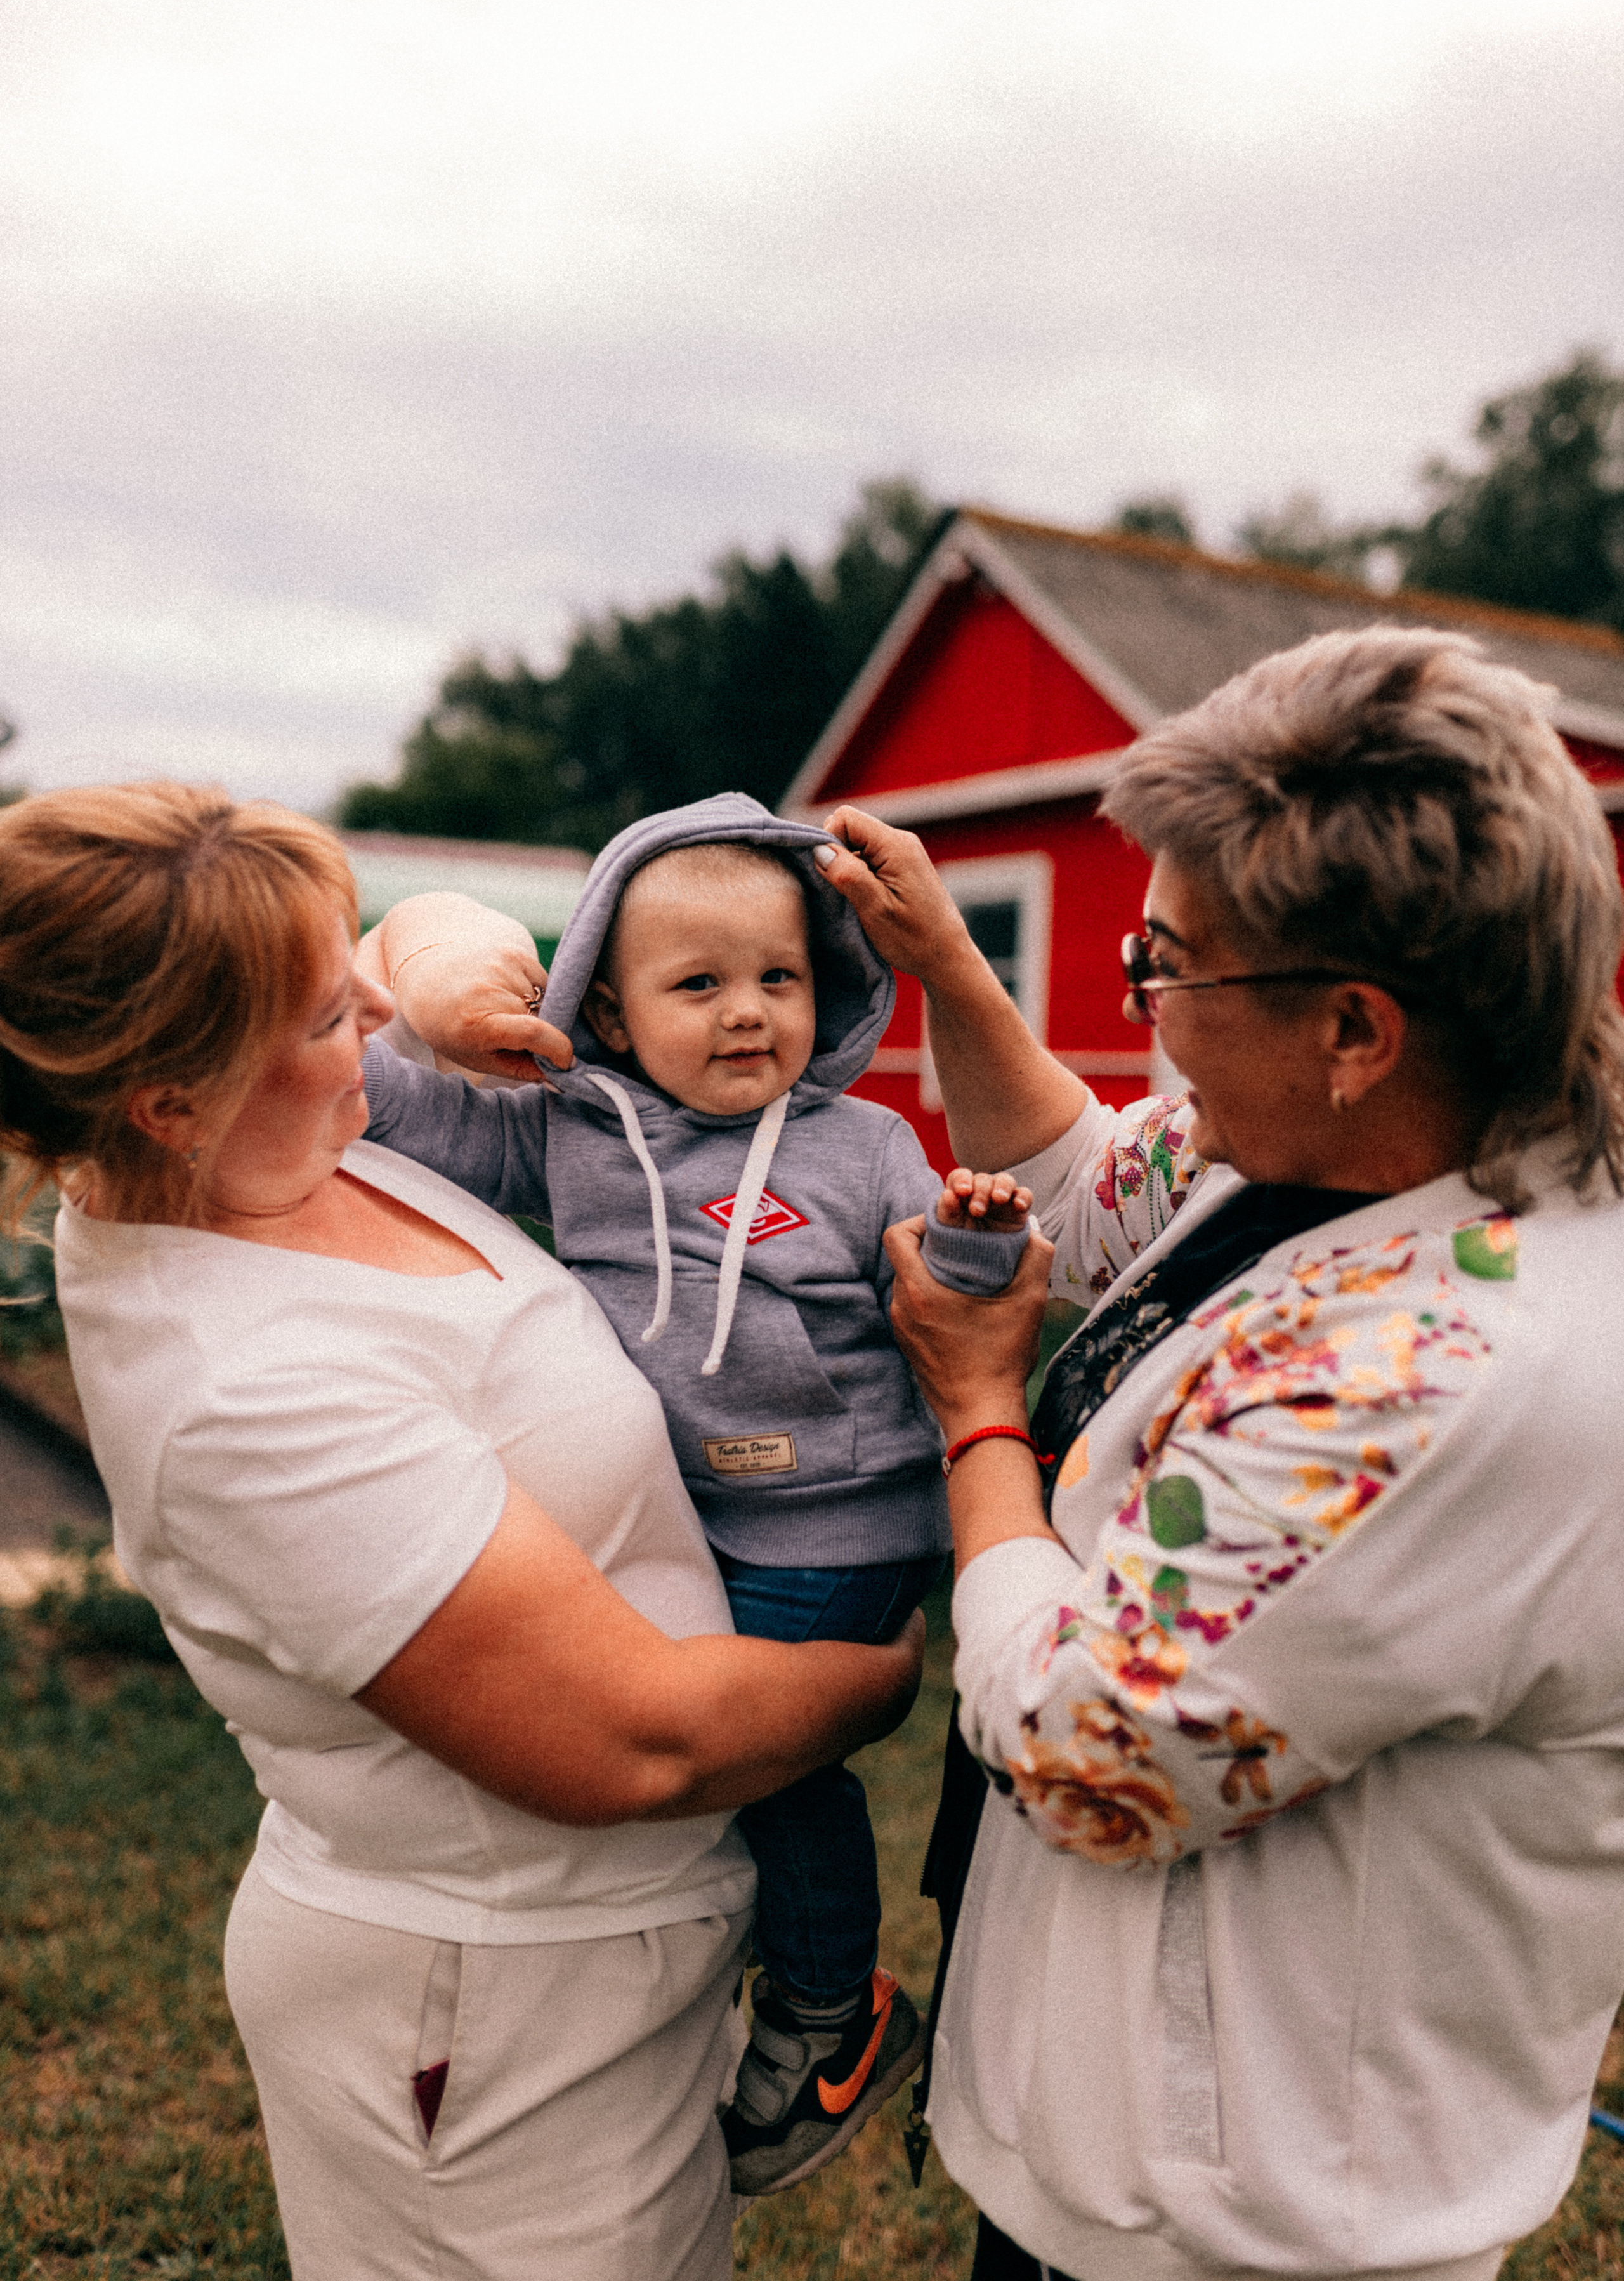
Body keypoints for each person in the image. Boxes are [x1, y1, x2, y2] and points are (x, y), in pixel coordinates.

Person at [0, 782, 924, 2281]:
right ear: (169, 1098)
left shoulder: (294, 1140)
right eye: (319, 1015)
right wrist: (884, 1670)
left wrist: (433, 968)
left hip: (612, 1964)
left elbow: (424, 933)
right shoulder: (243, 1390)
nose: (363, 1020)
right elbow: (634, 1742)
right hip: (488, 2024)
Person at [804, 624, 1624, 2281]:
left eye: (1167, 966)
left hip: (1247, 2219)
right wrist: (955, 970)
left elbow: (1087, 1746)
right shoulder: (1343, 1135)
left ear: (1356, 1028)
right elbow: (1085, 1184)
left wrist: (978, 1413)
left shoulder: (1434, 1377)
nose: (1152, 1013)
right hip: (1140, 2157)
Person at [359, 789, 1030, 2196]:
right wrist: (396, 1018)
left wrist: (972, 1246)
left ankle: (830, 2014)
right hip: (684, 1523)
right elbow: (409, 1117)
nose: (747, 1014)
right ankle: (751, 1974)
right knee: (676, 1748)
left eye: (780, 979)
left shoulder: (861, 1148)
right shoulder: (571, 1131)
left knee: (769, 1767)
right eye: (699, 984)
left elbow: (947, 1298)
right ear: (606, 1014)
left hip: (836, 1522)